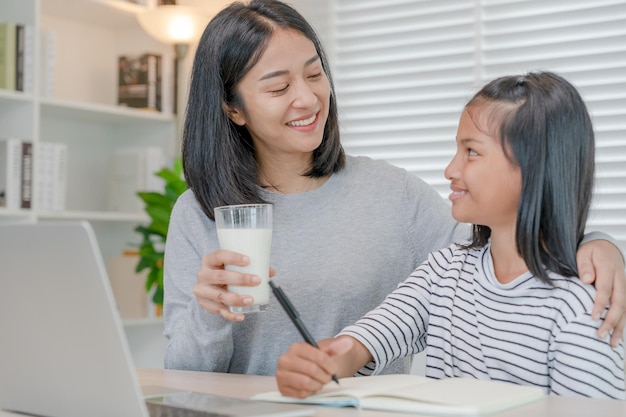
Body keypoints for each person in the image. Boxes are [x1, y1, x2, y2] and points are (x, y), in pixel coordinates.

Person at [163, 0, 626, 377]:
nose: (306, 98)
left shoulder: (392, 195)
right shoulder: (198, 213)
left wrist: (595, 243)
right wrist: (209, 313)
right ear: (233, 109)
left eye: (314, 73)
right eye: (278, 87)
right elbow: (180, 377)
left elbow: (502, 244)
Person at [275, 72, 626, 399]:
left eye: (472, 152)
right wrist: (327, 360)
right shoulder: (446, 270)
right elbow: (371, 338)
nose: (450, 170)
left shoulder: (582, 306)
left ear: (534, 169)